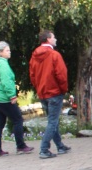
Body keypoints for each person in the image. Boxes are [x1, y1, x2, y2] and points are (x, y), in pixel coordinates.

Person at [0, 41, 34, 158]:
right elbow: (6, 81)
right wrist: (12, 95)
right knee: (18, 119)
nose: (9, 52)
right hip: (3, 98)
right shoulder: (2, 64)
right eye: (7, 50)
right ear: (0, 52)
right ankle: (21, 146)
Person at [29, 30, 71, 159]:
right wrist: (63, 89)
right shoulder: (54, 55)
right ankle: (44, 149)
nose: (55, 39)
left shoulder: (34, 56)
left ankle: (60, 145)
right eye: (54, 37)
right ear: (48, 39)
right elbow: (61, 74)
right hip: (54, 92)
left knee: (53, 120)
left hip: (43, 92)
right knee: (53, 121)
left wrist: (39, 87)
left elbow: (32, 75)